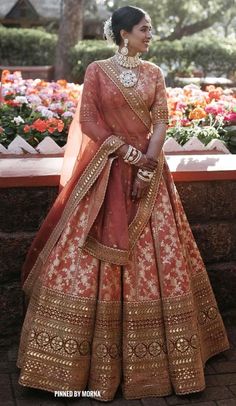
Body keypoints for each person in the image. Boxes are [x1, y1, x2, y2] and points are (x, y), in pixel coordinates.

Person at [17, 5, 229, 402]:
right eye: (144, 29)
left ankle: (168, 360)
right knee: (86, 253)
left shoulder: (154, 74)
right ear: (122, 33)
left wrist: (149, 162)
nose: (150, 35)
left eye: (150, 29)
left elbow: (162, 118)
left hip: (151, 176)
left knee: (163, 252)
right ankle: (75, 364)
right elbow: (89, 119)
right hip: (109, 170)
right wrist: (127, 156)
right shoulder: (98, 70)